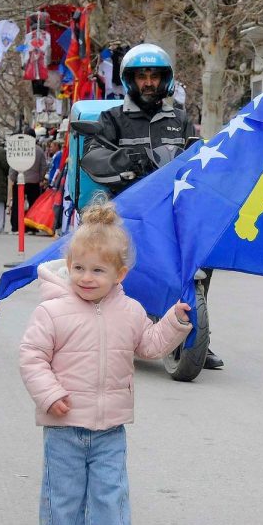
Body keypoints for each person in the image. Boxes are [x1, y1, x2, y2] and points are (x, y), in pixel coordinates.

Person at [18, 201, 192, 525]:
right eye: (79, 268)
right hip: (64, 423)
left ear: (120, 273)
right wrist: (49, 394)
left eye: (98, 270)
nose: (86, 277)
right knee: (63, 493)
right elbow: (32, 357)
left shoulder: (130, 311)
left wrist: (174, 323)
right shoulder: (52, 311)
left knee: (110, 493)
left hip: (110, 425)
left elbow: (148, 346)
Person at [87, 43, 224, 370]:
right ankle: (93, 332)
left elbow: (198, 155)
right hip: (127, 209)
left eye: (154, 76)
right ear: (129, 81)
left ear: (166, 80)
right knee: (104, 260)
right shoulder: (112, 118)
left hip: (172, 208)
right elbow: (92, 156)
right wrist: (119, 159)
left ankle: (197, 337)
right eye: (141, 76)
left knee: (203, 251)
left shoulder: (180, 119)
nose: (148, 82)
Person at [9, 127, 48, 233]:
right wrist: (40, 178)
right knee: (33, 205)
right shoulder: (39, 150)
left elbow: (13, 166)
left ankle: (16, 227)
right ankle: (31, 227)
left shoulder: (19, 148)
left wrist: (13, 178)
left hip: (19, 181)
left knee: (17, 205)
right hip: (34, 182)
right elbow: (44, 166)